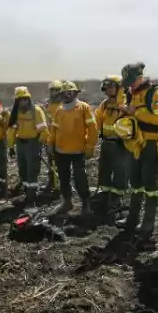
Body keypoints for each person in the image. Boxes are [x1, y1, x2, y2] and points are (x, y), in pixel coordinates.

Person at [120, 62, 158, 235]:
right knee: (135, 183)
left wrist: (135, 112)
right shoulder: (130, 94)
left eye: (133, 80)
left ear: (141, 76)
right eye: (128, 82)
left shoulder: (155, 93)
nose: (131, 84)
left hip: (151, 145)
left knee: (150, 185)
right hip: (134, 144)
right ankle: (132, 218)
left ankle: (148, 222)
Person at [48, 81, 97, 215]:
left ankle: (86, 204)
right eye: (65, 93)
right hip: (61, 151)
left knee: (80, 178)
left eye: (71, 93)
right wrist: (51, 143)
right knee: (64, 179)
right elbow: (54, 129)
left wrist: (90, 146)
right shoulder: (59, 110)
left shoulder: (84, 108)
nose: (68, 95)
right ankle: (67, 202)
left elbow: (92, 129)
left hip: (78, 151)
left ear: (75, 93)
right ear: (62, 95)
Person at [95, 75, 134, 221]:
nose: (108, 90)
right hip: (106, 143)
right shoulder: (105, 104)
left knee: (120, 173)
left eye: (111, 86)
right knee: (104, 170)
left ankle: (116, 199)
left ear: (118, 87)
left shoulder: (124, 104)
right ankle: (105, 195)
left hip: (120, 144)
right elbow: (97, 120)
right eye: (106, 87)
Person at [9, 86, 49, 203]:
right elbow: (12, 130)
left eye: (24, 99)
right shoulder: (17, 113)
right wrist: (11, 146)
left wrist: (39, 144)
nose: (22, 102)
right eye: (20, 100)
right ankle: (27, 192)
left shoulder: (36, 111)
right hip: (20, 144)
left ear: (28, 99)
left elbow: (44, 130)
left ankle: (32, 196)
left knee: (32, 171)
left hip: (33, 144)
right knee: (23, 170)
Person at [43, 81, 64, 195]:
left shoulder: (64, 103)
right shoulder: (47, 104)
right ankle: (52, 183)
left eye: (57, 90)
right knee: (51, 162)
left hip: (62, 138)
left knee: (62, 163)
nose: (54, 92)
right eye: (52, 90)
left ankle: (62, 185)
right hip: (50, 138)